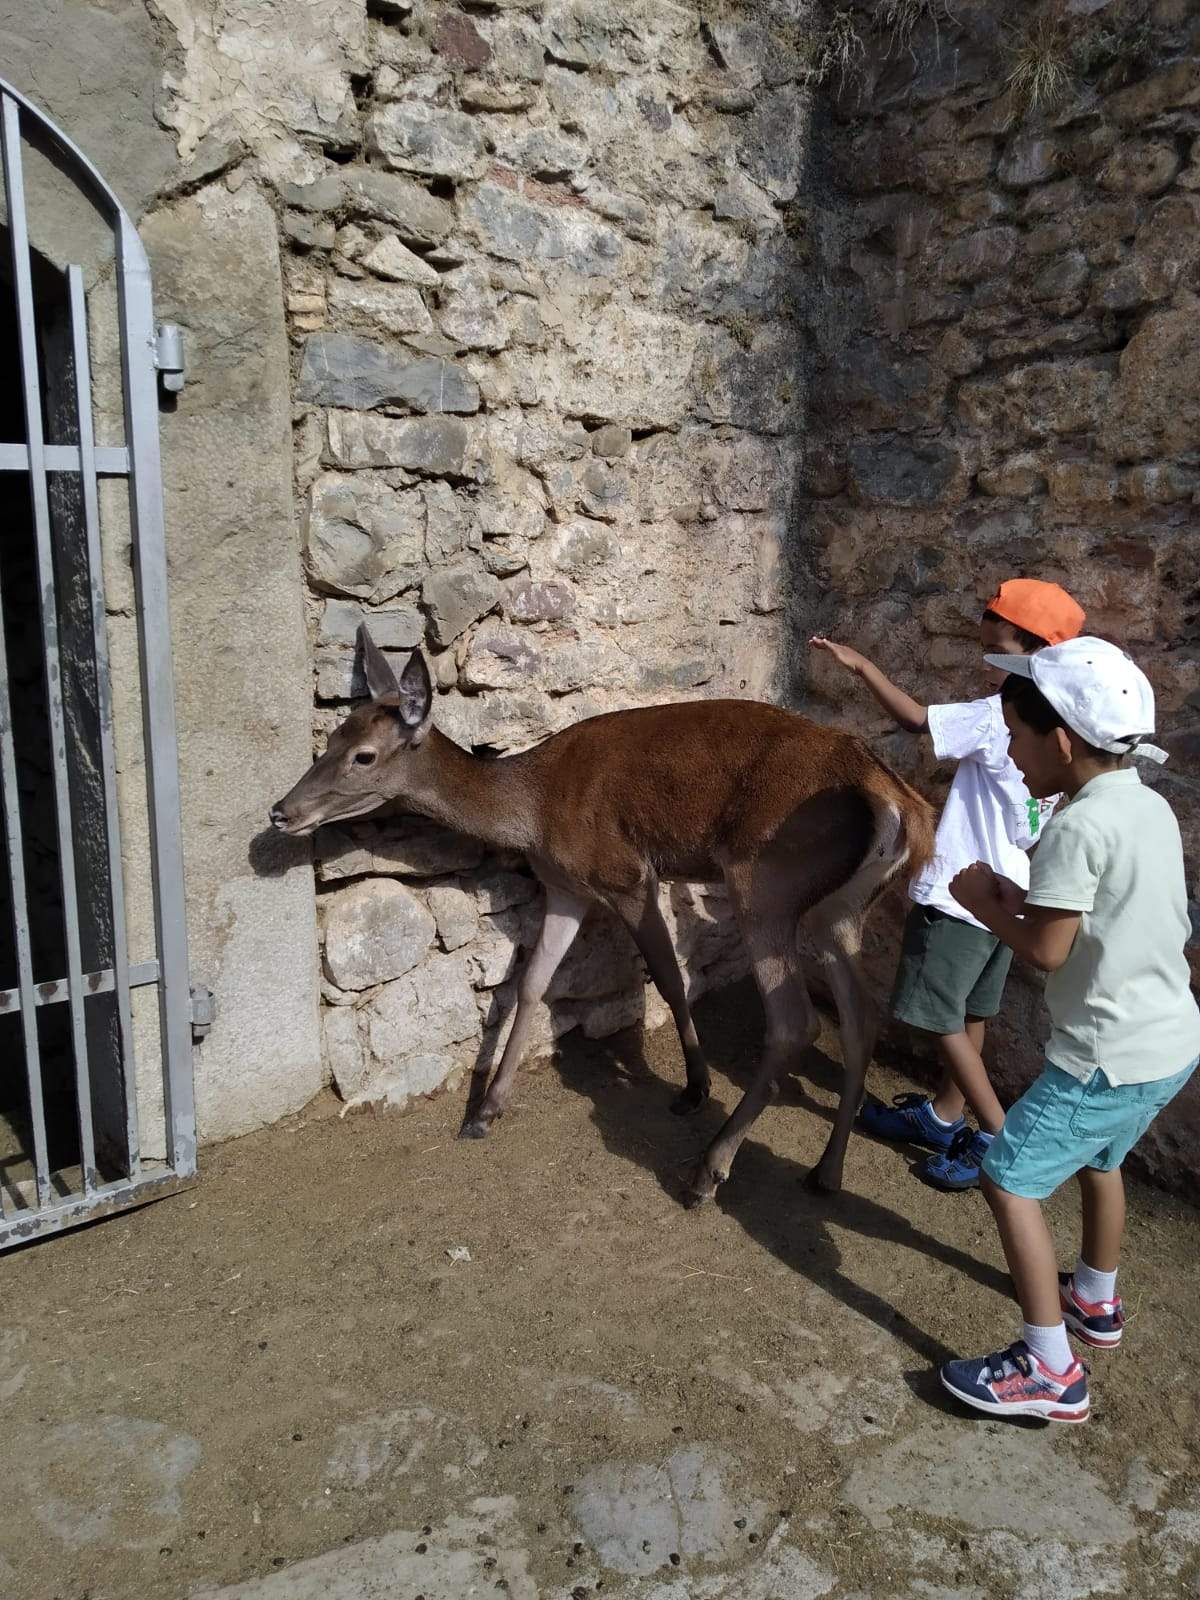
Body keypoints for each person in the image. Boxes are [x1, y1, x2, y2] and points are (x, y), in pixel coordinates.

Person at [939, 637, 1200, 1422]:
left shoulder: (1076, 827)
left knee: (1008, 1178)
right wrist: (1018, 897)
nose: (1011, 754)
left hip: (1102, 1055)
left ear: (1059, 741)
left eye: (1016, 738)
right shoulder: (1144, 804)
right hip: (1168, 1043)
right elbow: (1095, 918)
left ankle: (1050, 1370)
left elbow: (1050, 950)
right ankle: (1095, 1300)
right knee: (1102, 1158)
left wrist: (985, 903)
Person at [811, 579, 1085, 1190]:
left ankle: (993, 1134)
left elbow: (914, 721)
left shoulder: (996, 717)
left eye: (997, 654)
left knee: (940, 1019)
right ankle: (944, 1115)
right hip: (1005, 895)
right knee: (971, 1012)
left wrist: (862, 666)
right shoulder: (1069, 726)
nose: (987, 667)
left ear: (1033, 654)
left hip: (959, 894)